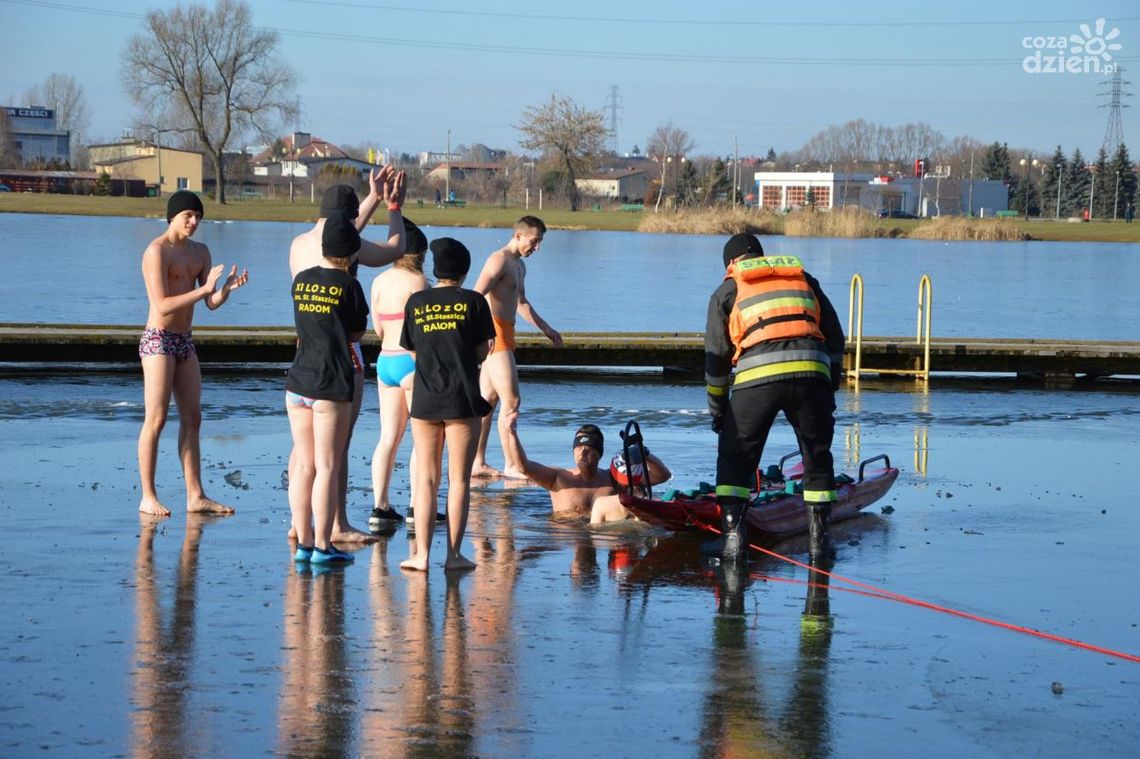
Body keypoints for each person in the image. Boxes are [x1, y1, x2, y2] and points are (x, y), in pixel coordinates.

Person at [704, 233, 845, 563]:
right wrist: (830, 387)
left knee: (735, 460)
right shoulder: (803, 279)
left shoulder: (728, 289)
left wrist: (719, 411)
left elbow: (716, 358)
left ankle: (733, 545)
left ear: (731, 262)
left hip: (757, 379)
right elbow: (836, 337)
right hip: (812, 375)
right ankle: (819, 545)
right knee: (817, 457)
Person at [288, 167, 407, 543]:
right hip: (341, 355)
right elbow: (394, 250)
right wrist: (392, 205)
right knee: (336, 447)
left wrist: (371, 198)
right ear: (348, 217)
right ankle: (335, 525)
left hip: (303, 353)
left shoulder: (299, 243)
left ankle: (299, 524)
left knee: (304, 451)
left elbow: (344, 234)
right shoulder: (346, 254)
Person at [137, 190, 248, 517]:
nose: (194, 221)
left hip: (184, 340)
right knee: (156, 419)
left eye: (198, 216)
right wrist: (203, 290)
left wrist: (224, 290)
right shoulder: (156, 252)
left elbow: (210, 303)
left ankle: (195, 495)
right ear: (172, 216)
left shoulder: (201, 252)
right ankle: (148, 495)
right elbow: (162, 304)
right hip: (158, 339)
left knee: (194, 417)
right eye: (188, 215)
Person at [398, 238, 496, 571]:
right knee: (459, 480)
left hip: (425, 399)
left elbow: (412, 350)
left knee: (426, 479)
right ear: (465, 272)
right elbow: (483, 352)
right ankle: (453, 556)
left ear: (435, 270)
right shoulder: (474, 302)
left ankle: (421, 556)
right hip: (462, 398)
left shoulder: (417, 301)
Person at [285, 210, 371, 565]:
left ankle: (303, 543)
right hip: (330, 382)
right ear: (351, 254)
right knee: (328, 466)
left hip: (297, 381)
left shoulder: (301, 279)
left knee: (304, 466)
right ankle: (323, 545)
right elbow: (355, 334)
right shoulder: (350, 286)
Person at [471, 216, 562, 479]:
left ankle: (477, 462)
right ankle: (512, 463)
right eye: (534, 241)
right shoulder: (498, 260)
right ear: (519, 236)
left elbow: (521, 303)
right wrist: (479, 334)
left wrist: (546, 329)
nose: (537, 247)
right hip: (494, 334)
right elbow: (476, 297)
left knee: (487, 401)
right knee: (512, 401)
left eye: (540, 242)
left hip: (507, 332)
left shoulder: (519, 266)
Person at [368, 217, 431, 528]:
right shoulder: (419, 283)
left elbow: (378, 328)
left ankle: (379, 507)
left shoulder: (377, 282)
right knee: (421, 439)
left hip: (385, 362)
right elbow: (424, 333)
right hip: (411, 363)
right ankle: (416, 507)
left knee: (388, 438)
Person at [502, 424, 671, 524]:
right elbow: (523, 467)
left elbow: (662, 476)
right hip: (568, 535)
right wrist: (512, 432)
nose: (582, 453)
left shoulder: (614, 478)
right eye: (578, 448)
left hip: (603, 536)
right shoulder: (558, 478)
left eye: (589, 449)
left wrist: (643, 453)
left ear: (599, 454)